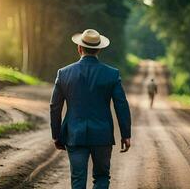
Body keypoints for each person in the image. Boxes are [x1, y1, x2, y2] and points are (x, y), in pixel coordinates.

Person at [50, 29, 131, 189]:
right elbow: (121, 105)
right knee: (101, 178)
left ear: (79, 48)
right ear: (99, 49)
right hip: (102, 135)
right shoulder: (112, 74)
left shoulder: (64, 73)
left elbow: (55, 107)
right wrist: (125, 134)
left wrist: (56, 135)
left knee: (78, 179)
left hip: (75, 135)